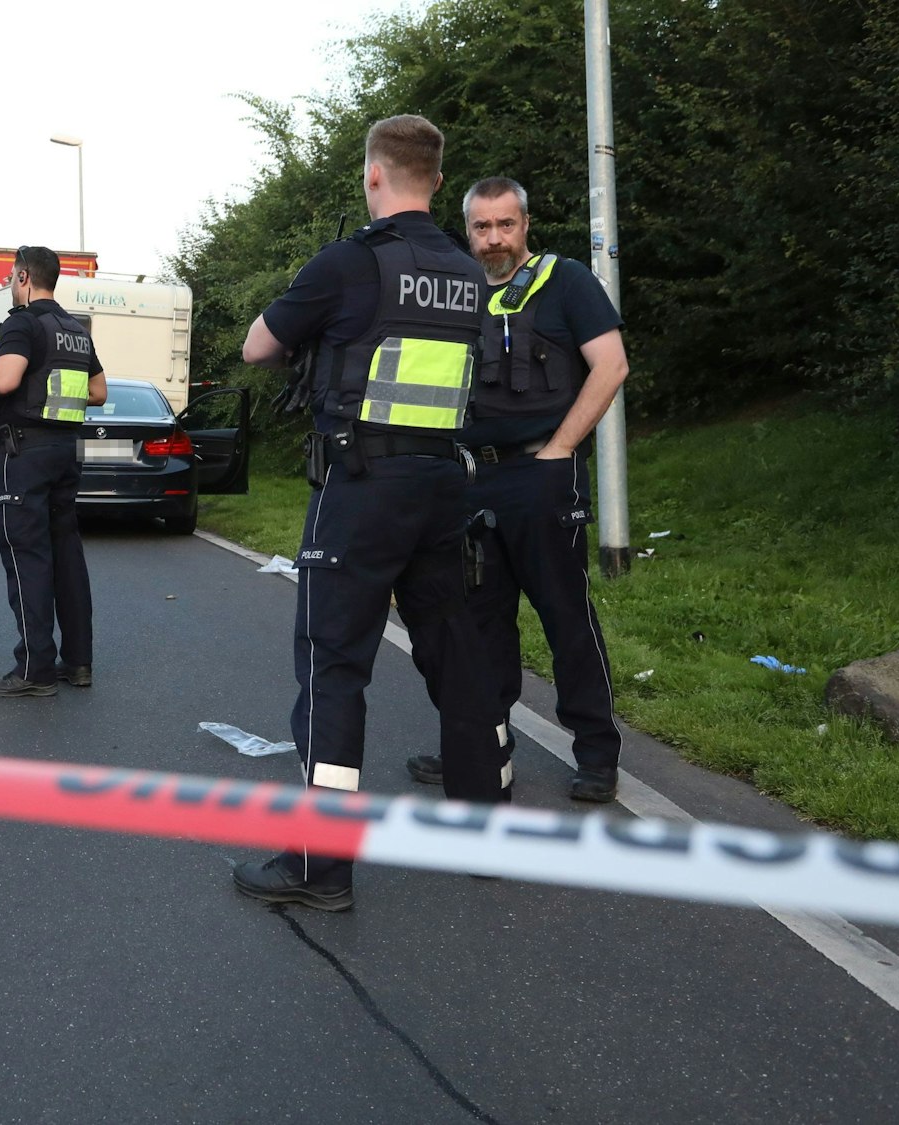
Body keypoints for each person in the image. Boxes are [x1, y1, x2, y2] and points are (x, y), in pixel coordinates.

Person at [231, 115, 508, 910]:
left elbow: (257, 346)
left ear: (374, 175)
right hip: (442, 485)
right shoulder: (467, 272)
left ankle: (322, 865)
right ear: (439, 181)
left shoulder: (351, 263)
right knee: (453, 651)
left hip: (361, 488)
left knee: (332, 665)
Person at [404, 176, 631, 803]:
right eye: (482, 227)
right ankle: (483, 753)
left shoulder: (568, 282)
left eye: (506, 225)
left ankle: (597, 755)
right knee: (479, 625)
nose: (494, 239)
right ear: (468, 229)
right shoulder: (455, 294)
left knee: (565, 614)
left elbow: (611, 365)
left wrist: (560, 449)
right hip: (471, 479)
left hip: (541, 478)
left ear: (525, 225)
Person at [0, 246, 105, 699]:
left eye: (13, 277)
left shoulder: (23, 322)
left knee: (27, 558)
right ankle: (78, 663)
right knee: (67, 557)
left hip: (23, 454)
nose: (12, 285)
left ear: (25, 277)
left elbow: (6, 381)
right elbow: (98, 391)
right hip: (63, 452)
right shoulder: (74, 329)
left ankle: (34, 669)